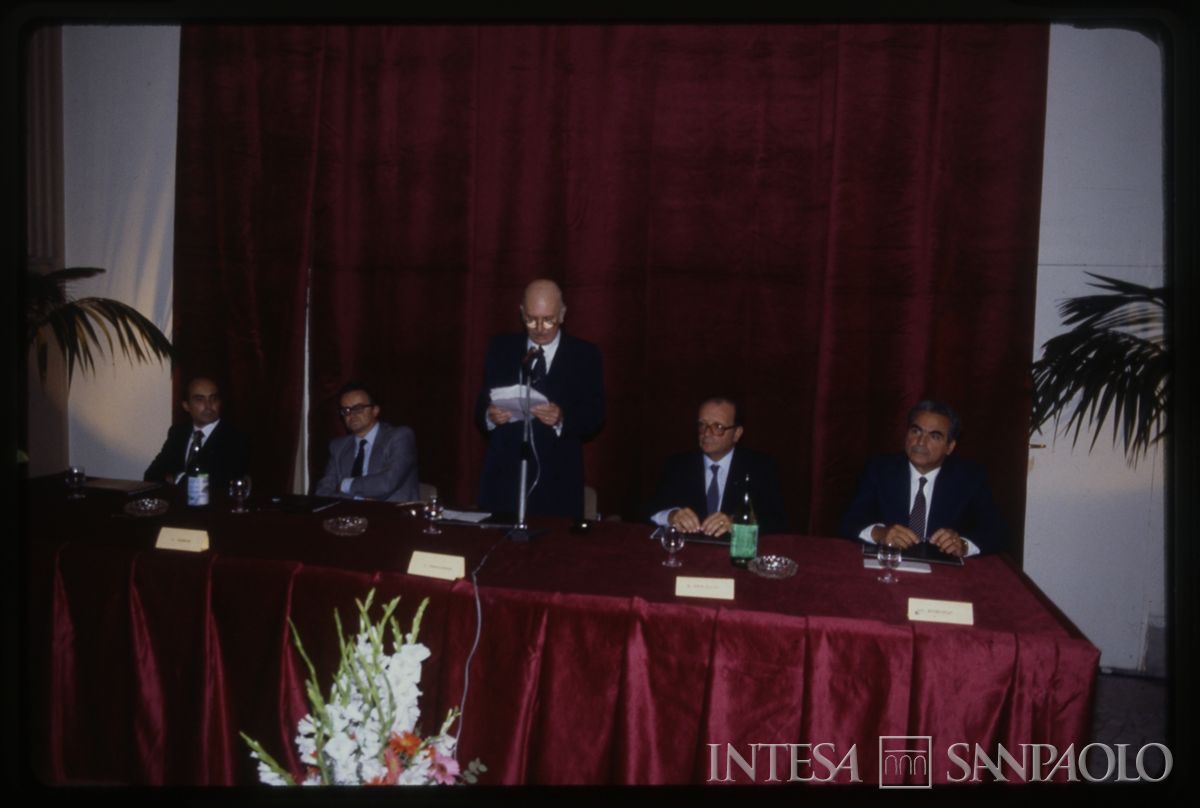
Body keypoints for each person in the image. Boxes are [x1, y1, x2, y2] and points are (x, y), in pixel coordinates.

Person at [475, 279, 605, 519]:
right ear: (521, 313)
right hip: (504, 485)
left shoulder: (585, 355)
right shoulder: (500, 348)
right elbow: (481, 407)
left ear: (563, 314)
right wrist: (490, 416)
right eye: (531, 319)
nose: (539, 328)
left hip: (559, 486)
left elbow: (595, 417)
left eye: (548, 319)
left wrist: (562, 418)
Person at [839, 400, 1006, 557]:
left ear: (950, 447)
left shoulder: (970, 478)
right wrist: (880, 533)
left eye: (934, 436)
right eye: (916, 431)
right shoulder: (879, 469)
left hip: (943, 575)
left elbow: (996, 532)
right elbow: (849, 521)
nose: (920, 442)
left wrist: (963, 545)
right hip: (889, 565)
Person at [645, 396, 788, 536]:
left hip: (736, 553)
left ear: (736, 434)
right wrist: (671, 515)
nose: (706, 433)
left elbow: (777, 521)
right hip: (687, 552)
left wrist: (736, 522)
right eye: (702, 425)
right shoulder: (678, 464)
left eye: (718, 427)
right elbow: (649, 510)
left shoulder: (760, 466)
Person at [314, 381, 420, 503]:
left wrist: (345, 484)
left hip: (394, 516)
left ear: (375, 410)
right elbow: (322, 492)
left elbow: (387, 483)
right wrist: (355, 499)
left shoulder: (400, 436)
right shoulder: (338, 446)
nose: (351, 415)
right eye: (346, 410)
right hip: (351, 517)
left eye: (358, 408)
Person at [144, 376, 250, 490]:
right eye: (200, 399)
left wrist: (176, 478)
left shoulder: (235, 436)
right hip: (177, 505)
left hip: (216, 506)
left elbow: (219, 483)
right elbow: (151, 475)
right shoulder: (178, 433)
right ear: (186, 406)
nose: (209, 406)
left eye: (213, 399)